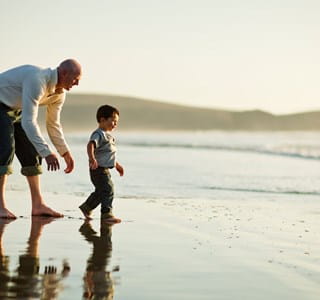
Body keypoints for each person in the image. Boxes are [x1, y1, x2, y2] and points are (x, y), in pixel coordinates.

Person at [0, 59, 82, 218]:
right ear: (64, 73)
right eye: (75, 79)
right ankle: (0, 206)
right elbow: (29, 121)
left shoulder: (59, 94)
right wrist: (47, 152)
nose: (77, 84)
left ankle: (38, 205)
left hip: (16, 109)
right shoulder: (37, 79)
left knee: (32, 152)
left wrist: (64, 152)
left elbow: (53, 124)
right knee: (5, 149)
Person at [79, 105, 124, 223]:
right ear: (103, 120)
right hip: (98, 169)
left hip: (104, 169)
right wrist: (92, 158)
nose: (115, 124)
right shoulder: (99, 134)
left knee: (101, 191)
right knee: (108, 189)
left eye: (116, 122)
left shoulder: (109, 136)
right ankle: (106, 214)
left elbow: (109, 155)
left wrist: (117, 165)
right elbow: (91, 145)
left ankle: (87, 207)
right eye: (113, 121)